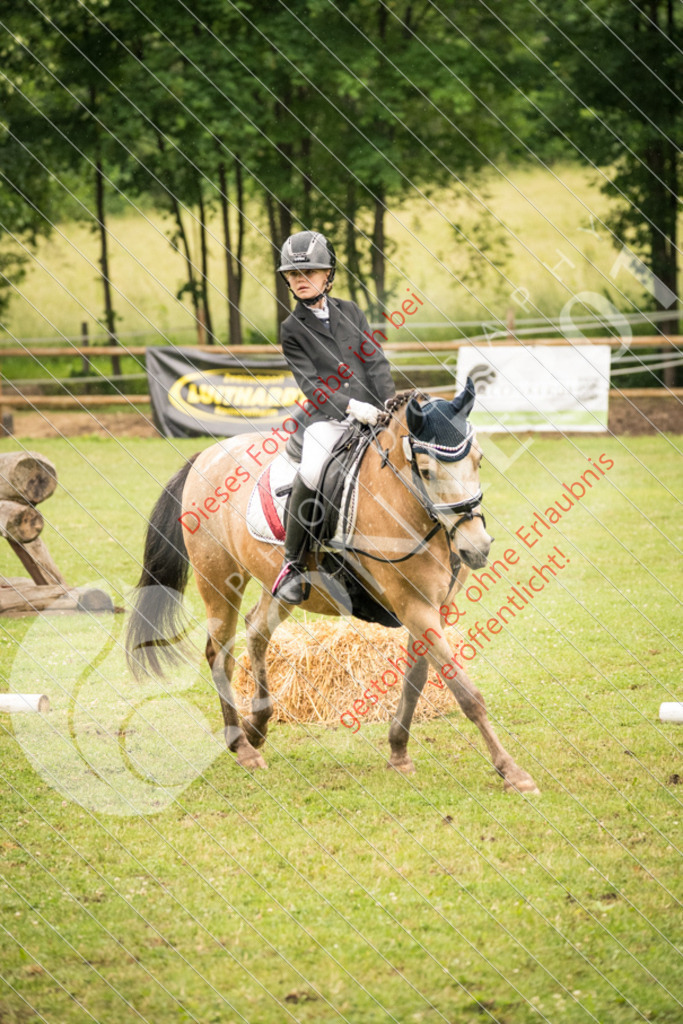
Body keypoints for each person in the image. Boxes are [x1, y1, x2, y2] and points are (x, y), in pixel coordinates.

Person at [272, 230, 396, 604]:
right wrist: (350, 406)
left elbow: (375, 362)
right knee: (312, 472)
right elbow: (312, 386)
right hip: (327, 419)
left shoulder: (351, 311)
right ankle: (293, 565)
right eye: (293, 274)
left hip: (374, 413)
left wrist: (388, 405)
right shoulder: (291, 330)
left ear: (328, 274)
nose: (300, 280)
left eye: (309, 272)